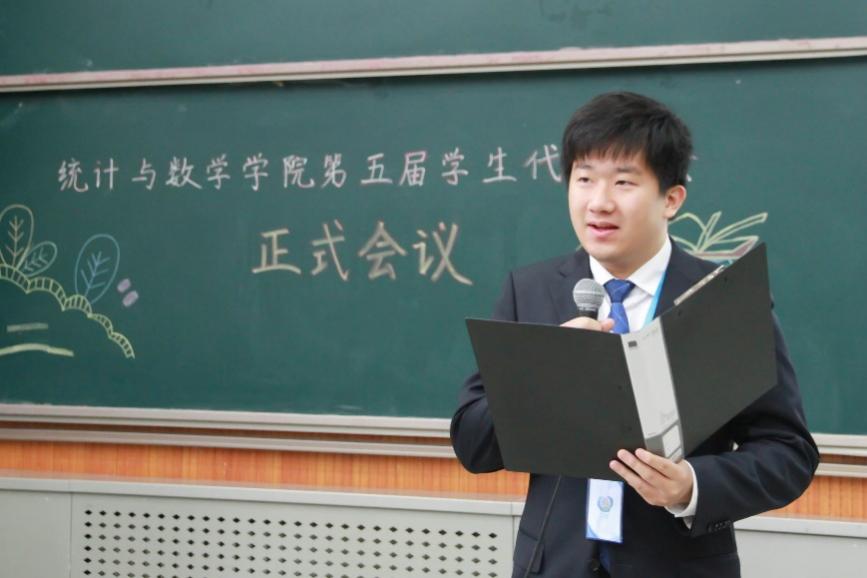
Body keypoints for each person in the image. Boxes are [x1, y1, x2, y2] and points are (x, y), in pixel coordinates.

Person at [450, 92, 818, 578]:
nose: (599, 202)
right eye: (584, 178)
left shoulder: (722, 299)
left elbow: (788, 452)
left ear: (671, 199)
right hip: (554, 565)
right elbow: (473, 445)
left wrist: (691, 486)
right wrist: (542, 377)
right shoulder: (530, 290)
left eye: (623, 182)